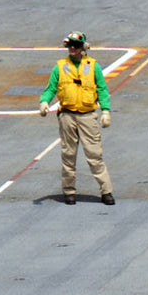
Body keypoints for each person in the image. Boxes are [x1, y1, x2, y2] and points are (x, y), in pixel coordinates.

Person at [39, 31, 115, 205]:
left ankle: (106, 191)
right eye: (70, 45)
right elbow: (51, 88)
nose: (72, 48)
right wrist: (44, 101)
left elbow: (102, 89)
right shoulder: (59, 67)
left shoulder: (93, 66)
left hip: (87, 115)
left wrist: (105, 111)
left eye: (76, 45)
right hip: (67, 115)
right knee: (68, 154)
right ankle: (69, 192)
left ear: (82, 48)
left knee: (95, 155)